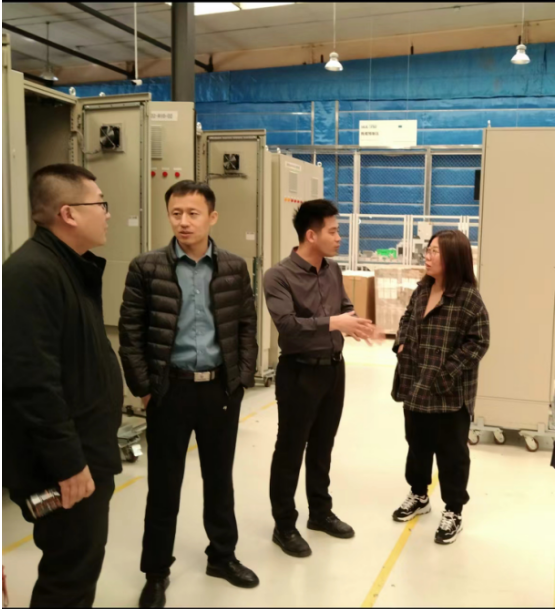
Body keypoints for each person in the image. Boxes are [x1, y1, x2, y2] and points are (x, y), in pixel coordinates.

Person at [118, 180, 259, 608]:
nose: (184, 221)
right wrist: (145, 390)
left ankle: (222, 556)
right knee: (164, 486)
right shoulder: (146, 267)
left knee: (219, 479)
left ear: (212, 217)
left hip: (219, 389)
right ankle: (155, 572)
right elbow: (131, 333)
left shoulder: (233, 267)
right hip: (169, 392)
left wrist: (241, 379)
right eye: (176, 213)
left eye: (193, 213)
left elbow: (246, 326)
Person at [3, 164, 124, 607]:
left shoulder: (67, 267)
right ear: (69, 213)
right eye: (101, 204)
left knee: (79, 564)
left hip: (85, 453)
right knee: (68, 576)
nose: (108, 213)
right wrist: (69, 464)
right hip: (66, 467)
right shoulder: (31, 274)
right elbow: (31, 383)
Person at [263, 199, 379, 558]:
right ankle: (284, 525)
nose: (339, 237)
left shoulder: (332, 270)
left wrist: (356, 323)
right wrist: (334, 323)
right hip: (299, 372)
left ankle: (320, 512)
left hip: (333, 369)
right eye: (333, 231)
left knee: (322, 446)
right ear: (311, 235)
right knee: (290, 449)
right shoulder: (278, 276)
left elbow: (343, 306)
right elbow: (287, 326)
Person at [391, 230, 490, 545]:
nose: (428, 255)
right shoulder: (423, 289)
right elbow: (407, 319)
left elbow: (479, 342)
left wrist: (448, 373)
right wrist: (401, 343)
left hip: (449, 393)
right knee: (417, 445)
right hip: (415, 384)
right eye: (428, 249)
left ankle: (454, 510)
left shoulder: (468, 298)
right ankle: (419, 495)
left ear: (453, 258)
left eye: (435, 251)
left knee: (452, 454)